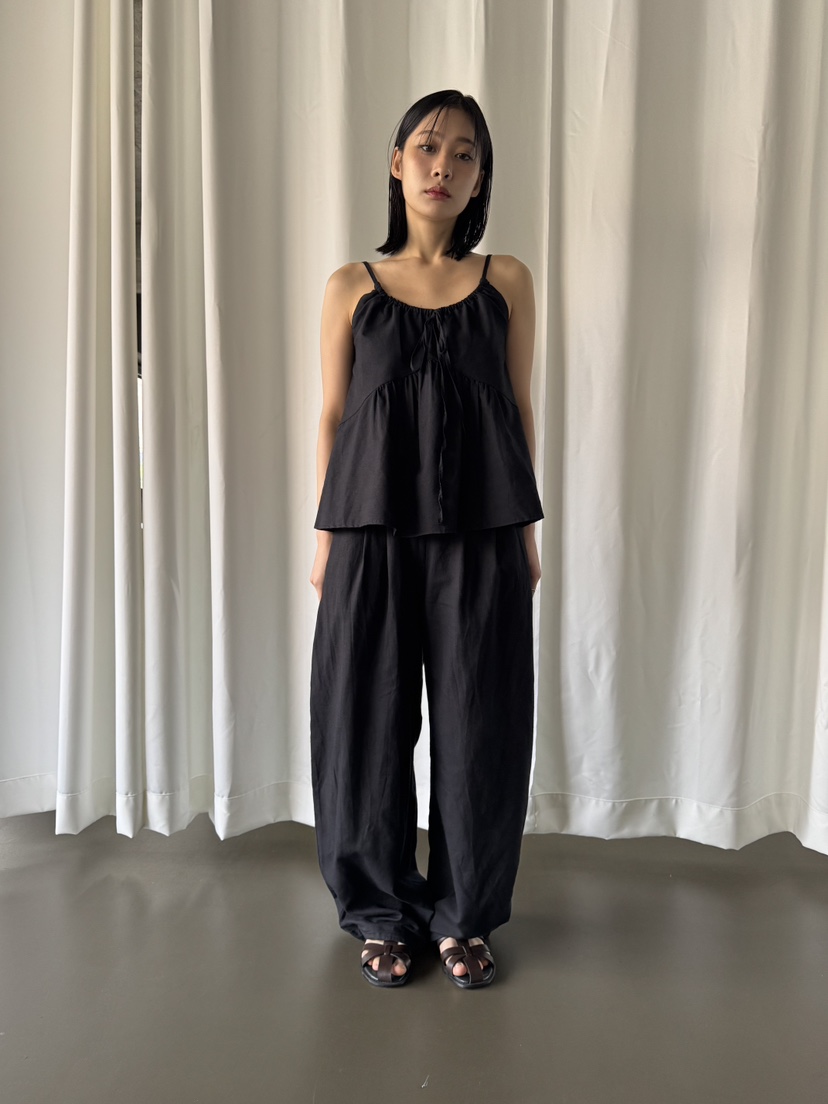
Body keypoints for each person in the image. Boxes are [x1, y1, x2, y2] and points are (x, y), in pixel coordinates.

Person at [309, 89, 543, 989]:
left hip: (482, 529)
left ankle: (463, 914)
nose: (444, 165)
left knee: (481, 719)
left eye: (466, 153)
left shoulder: (507, 280)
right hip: (367, 528)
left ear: (482, 177)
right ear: (397, 162)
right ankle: (380, 910)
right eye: (428, 147)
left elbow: (519, 408)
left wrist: (527, 531)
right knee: (363, 721)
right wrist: (325, 538)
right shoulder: (349, 287)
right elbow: (333, 415)